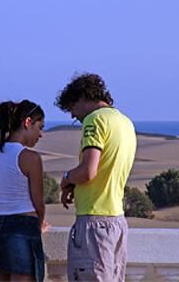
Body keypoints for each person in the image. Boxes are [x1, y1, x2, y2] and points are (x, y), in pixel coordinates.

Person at [55, 73, 137, 281]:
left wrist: (67, 178)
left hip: (94, 223)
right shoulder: (125, 122)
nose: (73, 115)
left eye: (72, 107)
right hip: (117, 221)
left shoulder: (95, 120)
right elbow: (105, 169)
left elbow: (88, 171)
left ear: (83, 98)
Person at [0, 100, 49, 282]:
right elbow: (39, 204)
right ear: (27, 122)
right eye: (40, 127)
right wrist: (39, 225)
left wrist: (0, 220)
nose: (41, 135)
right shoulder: (30, 158)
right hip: (23, 231)